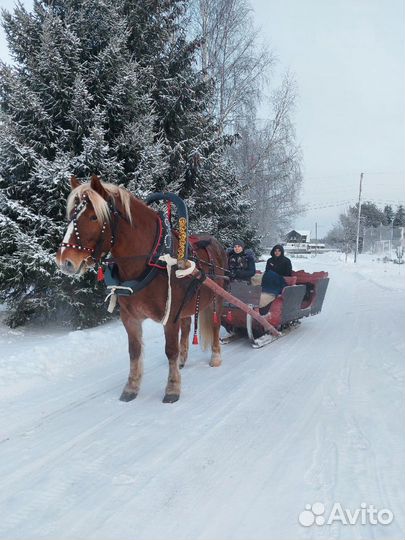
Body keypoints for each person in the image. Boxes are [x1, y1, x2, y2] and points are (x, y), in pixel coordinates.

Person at [259, 244, 292, 314]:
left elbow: (288, 274)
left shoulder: (286, 261)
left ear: (282, 252)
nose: (277, 252)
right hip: (269, 280)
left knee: (271, 274)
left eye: (279, 251)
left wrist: (276, 275)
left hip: (280, 281)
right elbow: (267, 272)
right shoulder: (270, 260)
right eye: (275, 251)